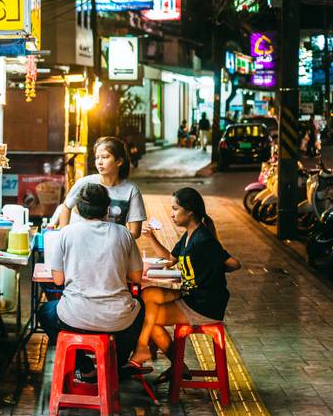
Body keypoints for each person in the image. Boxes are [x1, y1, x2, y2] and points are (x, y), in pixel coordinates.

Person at [130, 187, 241, 379]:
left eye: (175, 209)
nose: (171, 214)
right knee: (147, 295)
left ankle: (162, 358)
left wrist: (213, 270)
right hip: (190, 296)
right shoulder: (189, 236)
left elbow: (234, 264)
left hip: (204, 304)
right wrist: (151, 238)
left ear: (189, 211)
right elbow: (170, 259)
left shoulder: (203, 239)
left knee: (147, 319)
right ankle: (162, 358)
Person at [38, 183, 147, 376]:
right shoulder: (123, 233)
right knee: (140, 308)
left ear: (79, 209)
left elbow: (58, 280)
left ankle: (85, 367)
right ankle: (116, 366)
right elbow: (137, 277)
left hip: (74, 316)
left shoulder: (66, 233)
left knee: (44, 312)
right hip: (117, 320)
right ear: (107, 208)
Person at [57, 136, 147, 239]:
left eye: (104, 157)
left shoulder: (131, 190)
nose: (99, 162)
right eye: (97, 158)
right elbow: (66, 207)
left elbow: (135, 232)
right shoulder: (84, 183)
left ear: (119, 161)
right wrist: (63, 237)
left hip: (114, 245)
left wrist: (111, 242)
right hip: (83, 241)